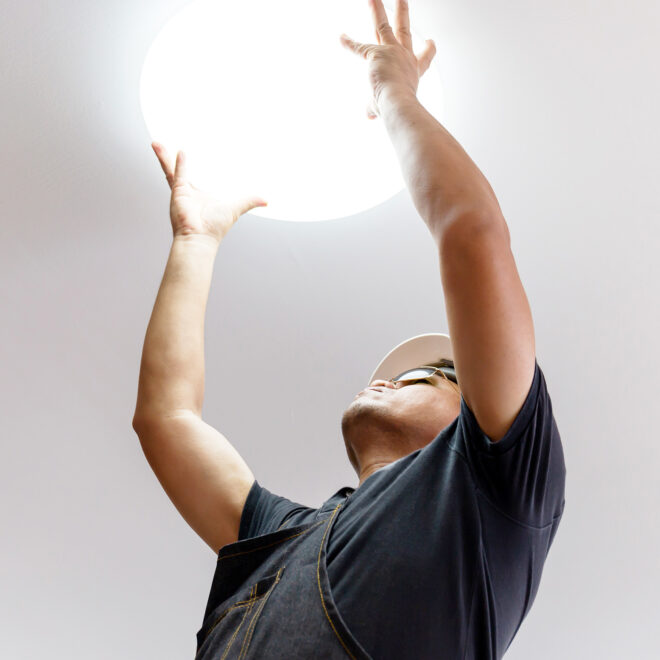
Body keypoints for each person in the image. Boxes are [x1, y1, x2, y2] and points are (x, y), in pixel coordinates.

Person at [132, 0, 566, 657]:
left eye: (420, 376)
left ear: (469, 416)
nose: (384, 379)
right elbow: (166, 418)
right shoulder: (279, 535)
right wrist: (196, 238)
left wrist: (392, 92)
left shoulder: (498, 492)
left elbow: (472, 233)